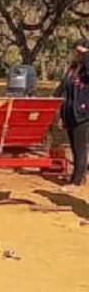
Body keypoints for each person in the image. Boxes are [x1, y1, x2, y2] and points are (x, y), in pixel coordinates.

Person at [58, 41, 89, 191]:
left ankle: (77, 181)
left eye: (80, 53)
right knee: (73, 147)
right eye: (76, 52)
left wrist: (87, 55)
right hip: (69, 111)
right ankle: (77, 177)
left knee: (80, 147)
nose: (77, 55)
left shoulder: (86, 70)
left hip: (82, 113)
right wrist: (60, 114)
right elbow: (63, 90)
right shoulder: (71, 70)